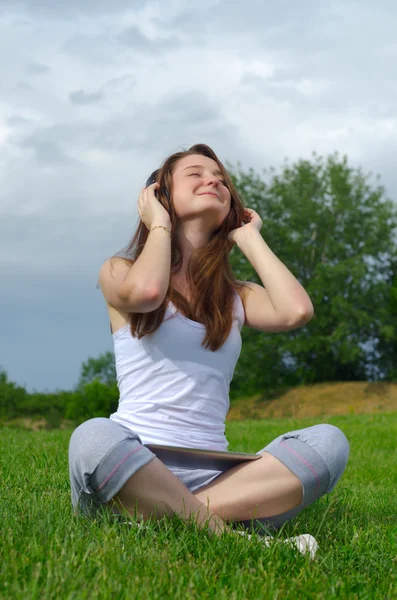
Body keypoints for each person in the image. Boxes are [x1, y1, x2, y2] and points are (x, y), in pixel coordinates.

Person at [68, 143, 349, 545]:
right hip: (134, 460)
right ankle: (235, 537)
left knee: (328, 443)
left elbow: (296, 312)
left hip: (221, 478)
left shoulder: (238, 295)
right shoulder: (120, 271)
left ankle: (163, 517)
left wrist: (248, 237)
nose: (213, 180)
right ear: (159, 195)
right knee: (92, 436)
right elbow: (148, 292)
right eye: (196, 173)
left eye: (220, 178)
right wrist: (159, 224)